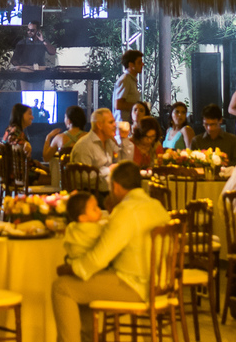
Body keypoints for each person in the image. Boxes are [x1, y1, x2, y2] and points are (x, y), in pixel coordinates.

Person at [52, 161, 171, 342]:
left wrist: (72, 268)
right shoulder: (156, 206)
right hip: (160, 284)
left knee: (62, 287)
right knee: (81, 283)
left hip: (136, 286)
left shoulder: (126, 210)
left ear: (115, 186)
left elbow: (98, 259)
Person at [70, 108, 123, 184]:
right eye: (111, 122)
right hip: (91, 190)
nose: (115, 125)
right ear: (99, 125)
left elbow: (121, 162)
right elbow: (83, 177)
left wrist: (124, 138)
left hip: (109, 187)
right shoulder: (84, 145)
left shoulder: (109, 141)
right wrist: (108, 170)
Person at [63, 191, 104, 259]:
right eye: (94, 209)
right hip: (87, 260)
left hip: (74, 259)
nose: (99, 210)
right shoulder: (93, 229)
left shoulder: (72, 227)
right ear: (83, 218)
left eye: (97, 206)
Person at [112, 50, 142, 115]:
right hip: (123, 121)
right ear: (131, 65)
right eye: (139, 62)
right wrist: (140, 107)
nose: (143, 64)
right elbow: (118, 105)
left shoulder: (131, 80)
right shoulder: (125, 80)